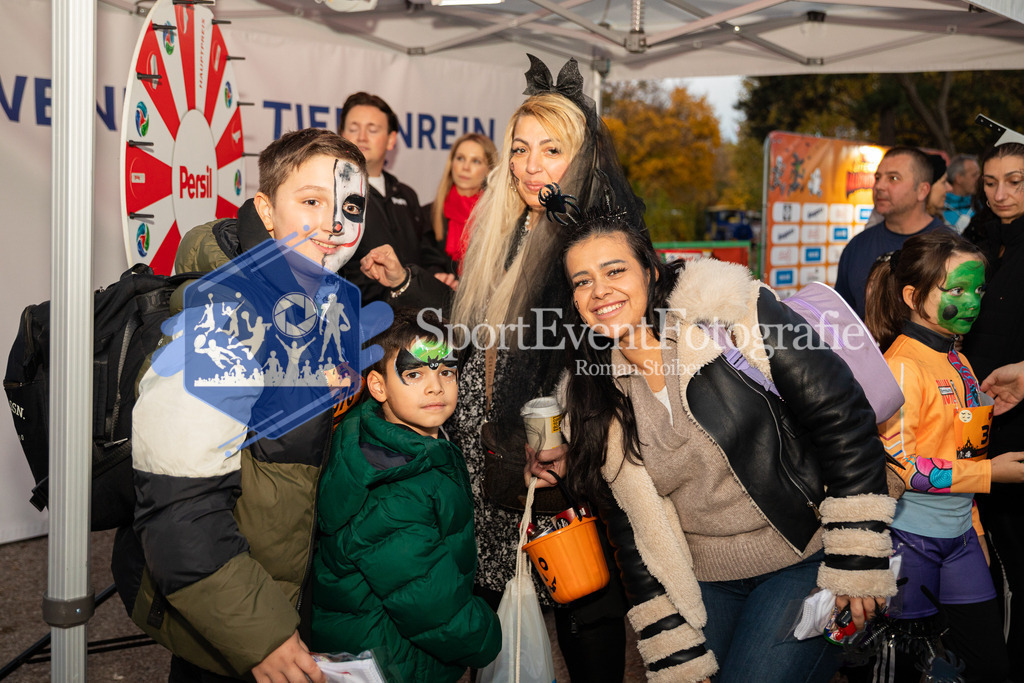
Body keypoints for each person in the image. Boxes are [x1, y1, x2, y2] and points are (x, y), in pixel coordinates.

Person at [540, 215, 896, 682]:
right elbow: (633, 534)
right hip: (704, 581)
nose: (599, 291)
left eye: (614, 271)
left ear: (649, 270)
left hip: (803, 555)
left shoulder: (730, 314)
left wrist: (857, 556)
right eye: (582, 281)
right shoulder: (589, 397)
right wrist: (672, 645)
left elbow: (842, 419)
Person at [112, 128, 371, 683]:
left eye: (349, 205)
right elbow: (180, 506)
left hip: (283, 581)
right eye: (311, 201)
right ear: (266, 210)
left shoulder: (314, 294)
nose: (335, 224)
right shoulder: (225, 316)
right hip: (234, 604)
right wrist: (261, 634)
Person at [443, 55, 644, 683]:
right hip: (491, 455)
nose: (532, 166)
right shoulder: (503, 228)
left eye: (551, 150)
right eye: (521, 149)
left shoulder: (596, 240)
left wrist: (564, 442)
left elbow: (604, 359)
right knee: (502, 606)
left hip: (560, 455)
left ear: (581, 156)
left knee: (583, 600)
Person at [309, 308, 501, 681]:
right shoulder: (392, 486)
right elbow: (432, 608)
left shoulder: (397, 441)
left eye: (446, 371)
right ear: (378, 387)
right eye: (414, 374)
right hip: (392, 661)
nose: (436, 387)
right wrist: (489, 638)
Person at [867, 230, 1018, 682]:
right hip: (909, 541)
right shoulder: (902, 366)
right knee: (906, 666)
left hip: (960, 536)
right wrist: (992, 473)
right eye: (956, 290)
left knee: (989, 663)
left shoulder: (957, 356)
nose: (972, 301)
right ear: (912, 296)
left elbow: (957, 441)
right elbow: (902, 469)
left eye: (978, 289)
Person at [962, 141, 1024, 679]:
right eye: (990, 181)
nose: (1001, 193)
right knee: (992, 557)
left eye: (1016, 181)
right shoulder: (978, 239)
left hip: (1019, 423)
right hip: (976, 419)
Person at [338, 92, 455, 309]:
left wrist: (435, 276)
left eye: (372, 129)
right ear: (341, 135)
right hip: (363, 322)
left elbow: (426, 250)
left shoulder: (406, 194)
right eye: (354, 129)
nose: (362, 137)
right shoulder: (331, 194)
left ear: (391, 139)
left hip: (417, 320)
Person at [836, 146, 949, 318]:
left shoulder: (950, 246)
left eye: (893, 178)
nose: (879, 186)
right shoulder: (857, 246)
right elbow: (841, 317)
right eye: (878, 178)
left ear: (922, 191)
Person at [423, 132, 497, 271]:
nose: (465, 167)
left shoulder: (499, 218)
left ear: (489, 170)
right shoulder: (428, 214)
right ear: (451, 163)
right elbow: (425, 260)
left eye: (476, 161)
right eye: (460, 158)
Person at [944, 154, 981, 233]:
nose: (979, 179)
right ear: (959, 178)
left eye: (979, 174)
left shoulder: (980, 205)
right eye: (974, 175)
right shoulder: (940, 208)